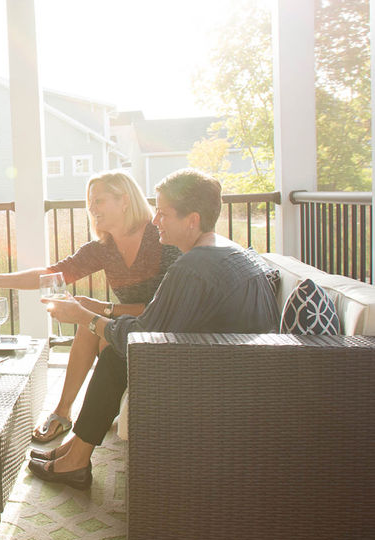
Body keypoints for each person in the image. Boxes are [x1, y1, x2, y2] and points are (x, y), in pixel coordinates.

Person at [28, 168, 280, 489]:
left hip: (230, 384)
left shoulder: (193, 267)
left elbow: (139, 337)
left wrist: (84, 316)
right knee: (117, 352)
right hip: (241, 366)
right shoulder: (222, 250)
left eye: (163, 213)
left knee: (116, 358)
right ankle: (75, 450)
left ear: (192, 220)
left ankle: (76, 460)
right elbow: (154, 326)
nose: (155, 219)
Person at [0, 170, 180, 442]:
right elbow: (53, 274)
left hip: (162, 332)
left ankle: (68, 412)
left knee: (89, 321)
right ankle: (67, 411)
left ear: (125, 200)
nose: (91, 209)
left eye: (99, 201)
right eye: (90, 203)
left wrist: (101, 308)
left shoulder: (160, 238)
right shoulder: (104, 247)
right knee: (89, 324)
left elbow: (164, 310)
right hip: (131, 330)